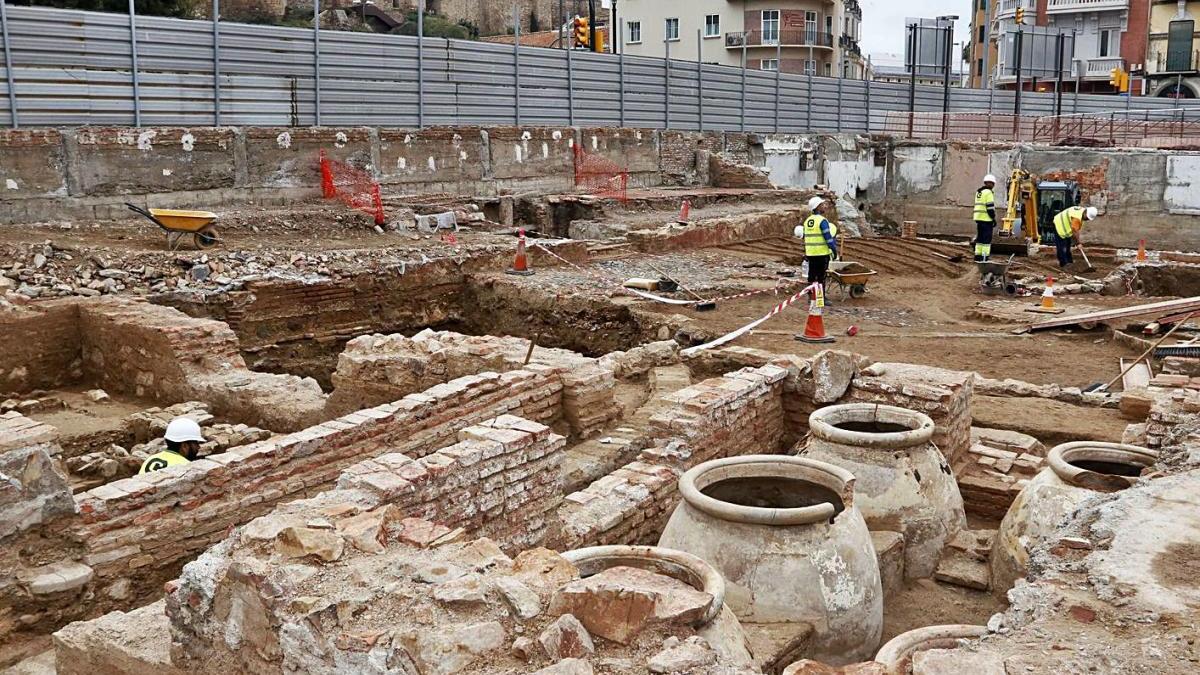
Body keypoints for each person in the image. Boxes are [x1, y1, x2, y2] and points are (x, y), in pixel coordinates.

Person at [796, 196, 839, 289]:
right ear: (817, 207)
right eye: (822, 205)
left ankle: (811, 298)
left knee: (811, 276)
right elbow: (828, 238)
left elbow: (806, 238)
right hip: (822, 254)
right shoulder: (822, 221)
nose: (824, 206)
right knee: (821, 278)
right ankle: (821, 299)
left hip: (811, 254)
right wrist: (834, 250)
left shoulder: (807, 221)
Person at [138, 417, 205, 474]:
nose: (198, 447)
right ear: (184, 446)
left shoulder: (150, 459)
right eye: (196, 443)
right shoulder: (186, 467)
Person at [973, 174, 998, 262]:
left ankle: (977, 256)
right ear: (990, 183)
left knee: (980, 238)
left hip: (978, 218)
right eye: (992, 184)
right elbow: (990, 207)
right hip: (986, 219)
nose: (993, 186)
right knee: (986, 239)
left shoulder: (979, 192)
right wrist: (993, 218)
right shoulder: (988, 192)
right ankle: (984, 257)